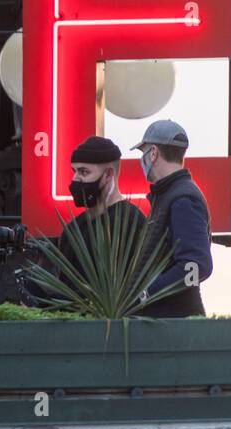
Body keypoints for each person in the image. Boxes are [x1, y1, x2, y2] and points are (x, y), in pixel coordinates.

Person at [23, 135, 149, 305]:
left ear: (108, 174)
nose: (76, 179)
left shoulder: (130, 222)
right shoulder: (73, 229)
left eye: (84, 172)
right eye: (74, 171)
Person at [132, 119, 213, 317]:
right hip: (171, 324)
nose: (142, 160)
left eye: (143, 153)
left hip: (175, 326)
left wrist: (145, 294)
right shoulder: (171, 195)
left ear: (153, 153)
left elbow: (197, 266)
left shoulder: (182, 199)